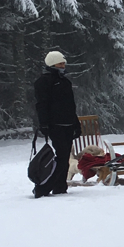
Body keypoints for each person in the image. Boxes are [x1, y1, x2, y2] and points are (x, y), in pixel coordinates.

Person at [33, 50, 81, 198]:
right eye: (60, 63)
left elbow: (71, 106)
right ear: (52, 64)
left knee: (65, 157)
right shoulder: (43, 82)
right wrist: (44, 124)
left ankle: (60, 187)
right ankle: (43, 188)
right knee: (61, 157)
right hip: (55, 125)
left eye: (63, 63)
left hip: (67, 125)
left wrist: (76, 124)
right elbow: (42, 104)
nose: (63, 66)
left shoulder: (66, 82)